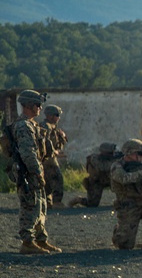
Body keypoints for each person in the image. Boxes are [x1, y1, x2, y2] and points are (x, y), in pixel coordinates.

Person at [8, 90, 60, 254]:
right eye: (38, 105)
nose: (40, 108)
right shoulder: (23, 126)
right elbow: (27, 152)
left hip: (35, 171)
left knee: (41, 205)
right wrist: (36, 171)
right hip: (28, 172)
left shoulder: (32, 124)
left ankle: (40, 239)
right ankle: (27, 242)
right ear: (29, 105)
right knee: (30, 205)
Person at [69, 142, 119, 207]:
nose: (112, 154)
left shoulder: (113, 159)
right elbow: (103, 167)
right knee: (92, 204)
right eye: (110, 153)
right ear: (103, 152)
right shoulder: (94, 158)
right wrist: (116, 162)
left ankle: (120, 201)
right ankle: (78, 200)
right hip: (96, 182)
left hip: (110, 180)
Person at [38, 104, 68, 208]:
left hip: (48, 159)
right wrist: (53, 152)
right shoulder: (45, 126)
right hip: (48, 160)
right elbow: (43, 141)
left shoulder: (52, 127)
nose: (58, 118)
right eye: (57, 115)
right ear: (50, 116)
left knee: (48, 182)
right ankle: (56, 202)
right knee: (57, 178)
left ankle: (48, 203)